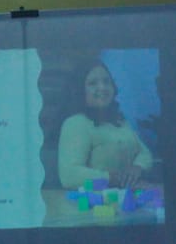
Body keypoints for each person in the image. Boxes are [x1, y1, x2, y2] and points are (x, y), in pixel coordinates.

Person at [57, 62, 155, 190]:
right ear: (80, 90)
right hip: (92, 200)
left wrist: (137, 167)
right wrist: (111, 178)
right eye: (93, 83)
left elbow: (144, 153)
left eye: (106, 81)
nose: (102, 87)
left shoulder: (120, 121)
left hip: (125, 197)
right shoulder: (76, 123)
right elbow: (69, 175)